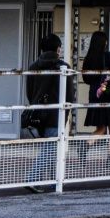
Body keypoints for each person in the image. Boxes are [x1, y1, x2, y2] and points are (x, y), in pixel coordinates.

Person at [25, 34, 69, 191]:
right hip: (56, 113)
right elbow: (70, 95)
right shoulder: (63, 67)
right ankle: (32, 179)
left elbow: (29, 92)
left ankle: (54, 181)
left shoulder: (33, 67)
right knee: (51, 147)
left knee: (52, 147)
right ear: (58, 49)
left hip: (38, 113)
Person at [81, 31, 110, 159]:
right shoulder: (108, 56)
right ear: (104, 42)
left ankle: (86, 145)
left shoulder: (88, 58)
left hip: (95, 95)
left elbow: (86, 79)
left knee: (101, 127)